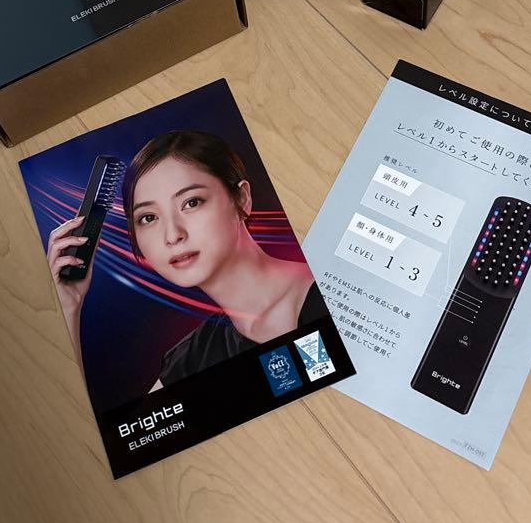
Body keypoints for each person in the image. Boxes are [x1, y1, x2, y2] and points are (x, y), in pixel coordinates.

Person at [47, 130, 326, 390]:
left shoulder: (323, 292)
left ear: (241, 198)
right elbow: (98, 427)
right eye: (148, 218)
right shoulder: (193, 359)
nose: (172, 235)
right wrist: (68, 307)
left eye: (191, 203)